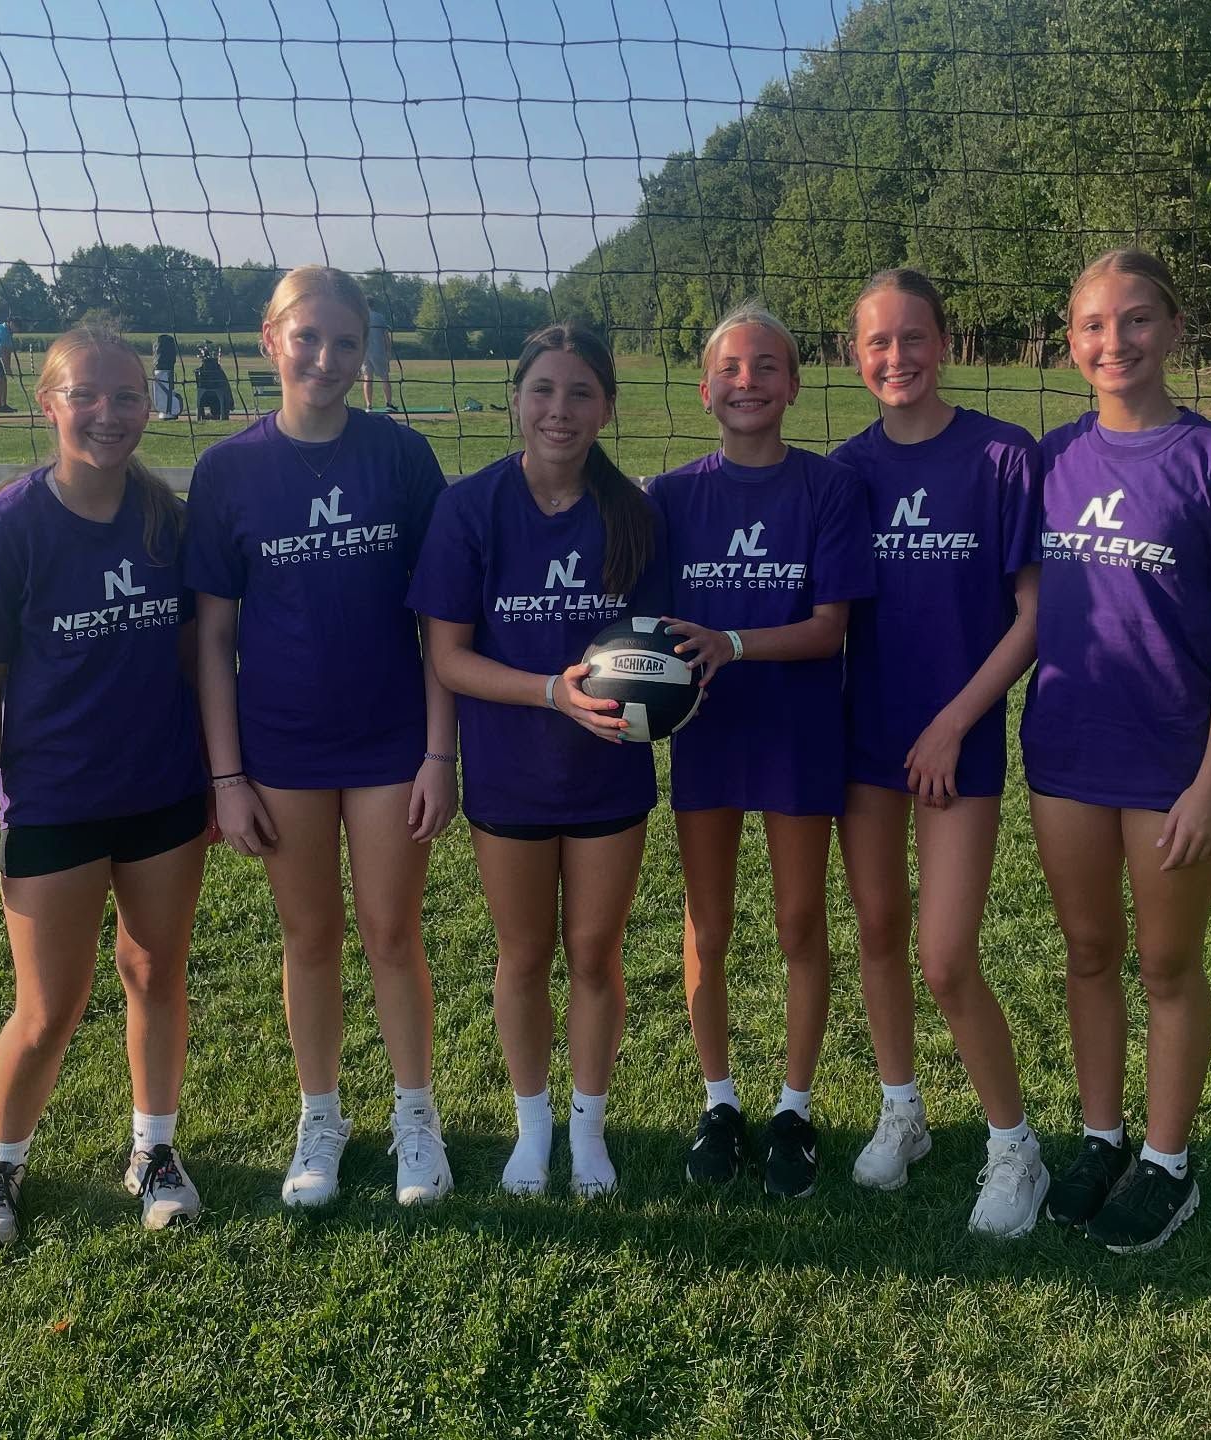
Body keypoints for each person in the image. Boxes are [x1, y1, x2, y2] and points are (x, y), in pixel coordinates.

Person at [1022, 249, 1211, 1252]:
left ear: (1174, 330)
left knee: (1168, 966)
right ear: (1070, 341)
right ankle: (1102, 1137)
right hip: (1066, 752)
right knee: (1089, 953)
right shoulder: (1046, 462)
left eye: (1137, 320)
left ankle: (1169, 1163)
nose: (1115, 342)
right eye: (1094, 324)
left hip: (1175, 763)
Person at [186, 265, 458, 1210]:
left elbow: (440, 622)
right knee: (309, 935)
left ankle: (416, 1118)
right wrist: (227, 775)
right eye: (309, 339)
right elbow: (212, 637)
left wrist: (438, 753)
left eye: (347, 343)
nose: (327, 359)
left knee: (391, 931)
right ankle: (322, 1116)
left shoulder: (401, 456)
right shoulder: (228, 470)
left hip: (389, 744)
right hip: (282, 749)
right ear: (272, 341)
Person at [0, 326, 210, 1249]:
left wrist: (215, 779)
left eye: (126, 396)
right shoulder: (4, 531)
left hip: (164, 794)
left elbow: (189, 661)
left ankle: (154, 1150)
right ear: (46, 403)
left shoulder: (168, 522)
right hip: (53, 802)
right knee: (50, 1007)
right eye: (85, 396)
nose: (108, 413)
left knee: (154, 972)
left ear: (149, 404)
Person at [411, 323, 663, 1197]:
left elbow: (657, 651)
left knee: (595, 955)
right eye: (543, 391)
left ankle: (588, 1130)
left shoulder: (633, 511)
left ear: (606, 408)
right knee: (522, 955)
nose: (560, 411)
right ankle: (532, 1128)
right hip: (510, 769)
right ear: (516, 398)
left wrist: (672, 691)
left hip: (610, 774)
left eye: (580, 393)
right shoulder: (470, 506)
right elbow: (446, 657)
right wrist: (550, 693)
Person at [829, 269, 1047, 1236]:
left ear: (944, 343)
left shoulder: (1001, 456)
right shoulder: (842, 472)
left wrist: (956, 720)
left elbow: (1034, 617)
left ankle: (1015, 1147)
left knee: (947, 956)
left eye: (913, 338)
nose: (897, 358)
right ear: (853, 356)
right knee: (877, 932)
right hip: (864, 736)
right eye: (878, 343)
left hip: (957, 738)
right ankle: (902, 1109)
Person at [648, 302, 875, 1198]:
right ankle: (720, 1101)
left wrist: (731, 642)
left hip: (796, 730)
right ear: (705, 389)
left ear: (794, 383)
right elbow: (648, 630)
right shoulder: (668, 497)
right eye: (732, 368)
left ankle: (793, 1107)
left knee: (798, 922)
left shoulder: (826, 489)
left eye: (768, 366)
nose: (749, 381)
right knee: (708, 923)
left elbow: (829, 629)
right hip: (705, 737)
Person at [361, 308, 394, 411]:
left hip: (365, 352)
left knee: (367, 378)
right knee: (385, 377)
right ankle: (388, 404)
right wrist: (388, 350)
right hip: (379, 351)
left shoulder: (361, 316)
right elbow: (385, 335)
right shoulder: (379, 317)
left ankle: (369, 405)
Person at [153, 333, 182, 419]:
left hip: (162, 371)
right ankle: (169, 411)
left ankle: (168, 410)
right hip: (165, 371)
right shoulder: (168, 344)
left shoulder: (160, 345)